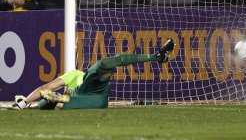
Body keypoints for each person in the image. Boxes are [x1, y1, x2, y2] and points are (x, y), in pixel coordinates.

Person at [10, 39, 175, 110]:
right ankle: (157, 57)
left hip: (91, 91)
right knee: (48, 102)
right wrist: (27, 102)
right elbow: (47, 93)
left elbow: (45, 89)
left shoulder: (75, 75)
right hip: (93, 101)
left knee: (106, 63)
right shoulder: (68, 90)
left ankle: (156, 57)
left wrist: (25, 101)